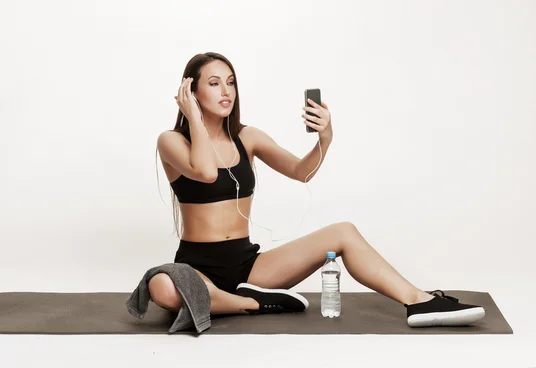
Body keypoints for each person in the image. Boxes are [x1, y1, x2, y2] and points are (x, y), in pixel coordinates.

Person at [151, 52, 485, 327]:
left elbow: (301, 171)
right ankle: (250, 303)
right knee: (163, 287)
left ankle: (419, 301)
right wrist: (192, 116)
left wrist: (325, 138)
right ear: (192, 91)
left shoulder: (248, 138)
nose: (226, 91)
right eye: (213, 84)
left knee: (343, 231)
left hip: (249, 268)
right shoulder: (172, 141)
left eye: (231, 82)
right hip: (196, 268)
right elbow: (207, 173)